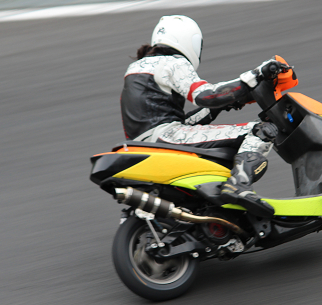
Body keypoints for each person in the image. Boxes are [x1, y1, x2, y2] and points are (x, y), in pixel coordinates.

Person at [120, 15, 281, 216]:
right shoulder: (173, 63)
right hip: (166, 136)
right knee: (261, 130)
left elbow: (179, 120)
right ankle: (238, 185)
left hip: (142, 143)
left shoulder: (136, 68)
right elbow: (207, 96)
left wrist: (226, 103)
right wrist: (256, 75)